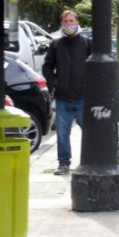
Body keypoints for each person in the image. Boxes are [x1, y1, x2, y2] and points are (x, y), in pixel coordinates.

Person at [42, 10, 92, 176]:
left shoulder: (87, 43)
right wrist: (54, 82)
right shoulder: (56, 44)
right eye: (66, 21)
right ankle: (64, 164)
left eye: (71, 21)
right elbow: (47, 66)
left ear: (78, 22)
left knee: (90, 132)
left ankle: (91, 161)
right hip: (63, 97)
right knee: (62, 134)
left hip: (83, 96)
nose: (69, 24)